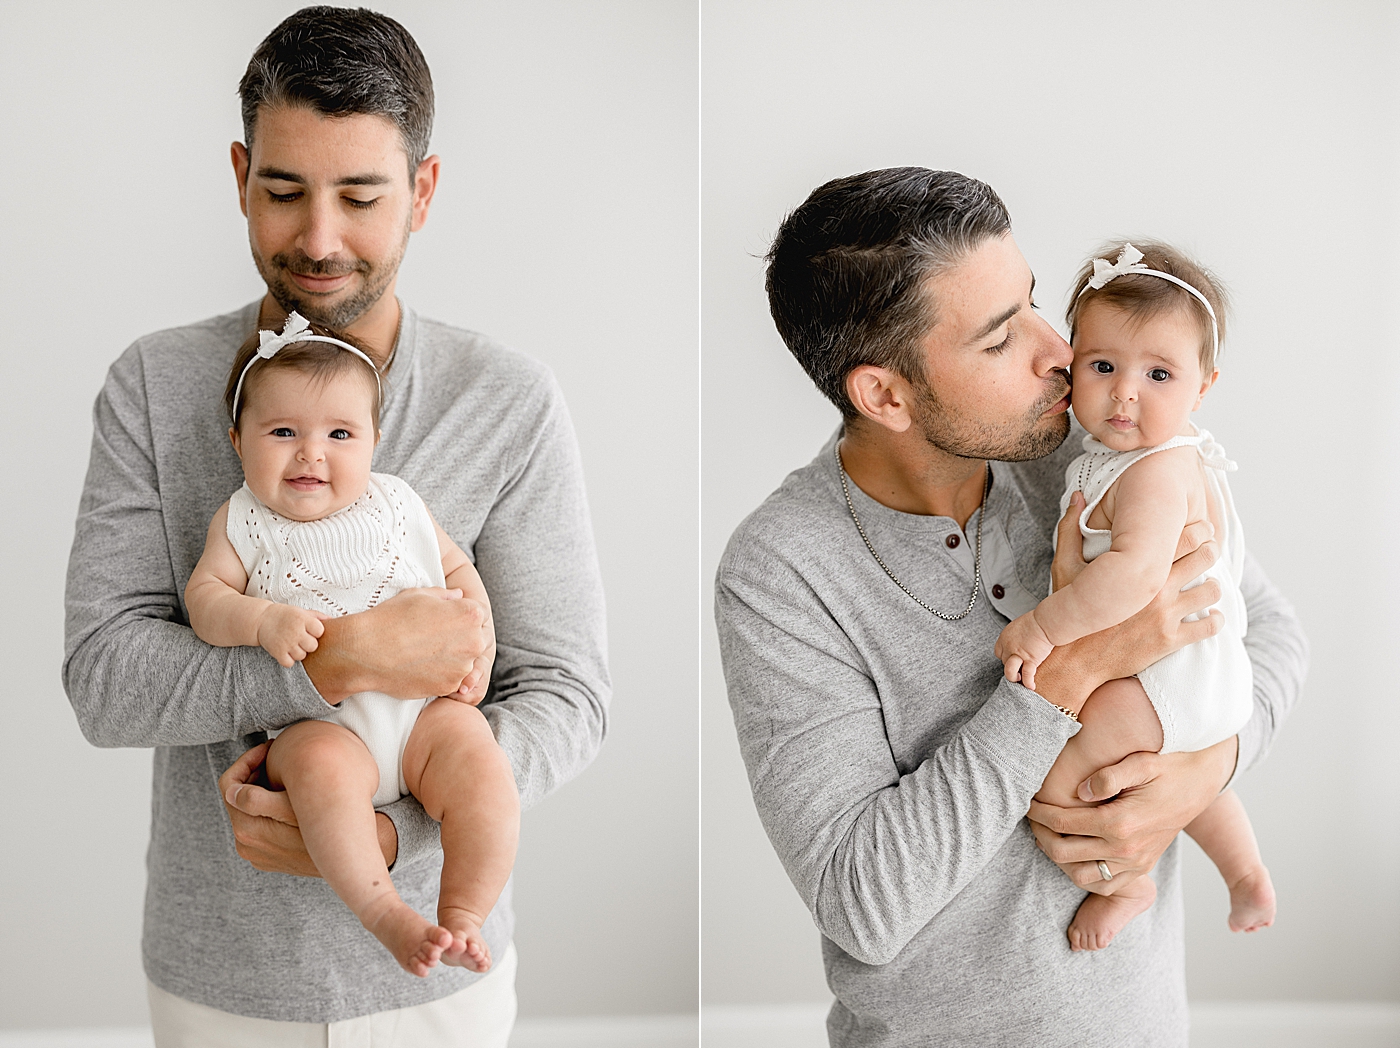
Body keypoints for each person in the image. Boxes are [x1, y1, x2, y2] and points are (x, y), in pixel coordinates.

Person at [63, 8, 608, 1046]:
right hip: (222, 977)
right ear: (237, 175)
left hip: (440, 984)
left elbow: (570, 695)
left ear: (423, 192)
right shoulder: (153, 386)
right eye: (282, 190)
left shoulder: (508, 400)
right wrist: (333, 662)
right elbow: (103, 679)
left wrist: (381, 834)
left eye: (360, 196)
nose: (318, 238)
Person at [714, 168, 1306, 1047]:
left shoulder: (1096, 446)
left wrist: (1199, 775)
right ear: (884, 395)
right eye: (1000, 340)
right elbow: (864, 905)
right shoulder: (782, 572)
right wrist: (1069, 673)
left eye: (1033, 300)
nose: (1060, 352)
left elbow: (1273, 635)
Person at [185, 313, 519, 977]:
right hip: (322, 725)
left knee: (484, 770)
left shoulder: (398, 503)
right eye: (283, 432)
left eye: (340, 434)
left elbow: (457, 572)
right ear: (237, 441)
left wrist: (479, 645)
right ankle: (385, 912)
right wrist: (259, 621)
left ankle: (463, 913)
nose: (312, 452)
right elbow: (205, 601)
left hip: (426, 718)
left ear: (373, 442)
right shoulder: (244, 521)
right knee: (319, 772)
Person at [995, 241, 1274, 952]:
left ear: (1202, 387)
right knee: (1191, 776)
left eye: (1158, 373)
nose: (1125, 392)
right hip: (1202, 682)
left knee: (1052, 777)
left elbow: (1134, 577)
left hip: (1165, 679)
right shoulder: (1142, 456)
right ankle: (1244, 871)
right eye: (1103, 366)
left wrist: (1043, 625)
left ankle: (1126, 882)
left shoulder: (1153, 471)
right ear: (1074, 364)